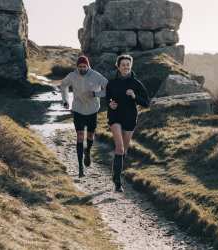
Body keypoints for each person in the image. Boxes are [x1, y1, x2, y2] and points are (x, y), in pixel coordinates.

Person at [106, 55, 150, 192]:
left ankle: (115, 174)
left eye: (128, 64)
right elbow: (108, 99)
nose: (126, 67)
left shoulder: (136, 84)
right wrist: (110, 104)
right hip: (115, 117)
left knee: (124, 150)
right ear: (118, 66)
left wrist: (135, 96)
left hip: (130, 118)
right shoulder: (111, 83)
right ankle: (118, 183)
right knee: (119, 148)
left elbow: (147, 103)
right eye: (123, 64)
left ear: (131, 66)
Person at [60, 55, 108, 178]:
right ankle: (81, 168)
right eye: (80, 67)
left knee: (90, 135)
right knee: (80, 136)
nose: (82, 69)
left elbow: (108, 88)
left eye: (84, 66)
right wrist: (66, 100)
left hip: (92, 110)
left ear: (88, 66)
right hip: (78, 109)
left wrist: (95, 93)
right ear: (77, 66)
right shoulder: (72, 75)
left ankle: (88, 151)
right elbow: (63, 85)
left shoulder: (96, 75)